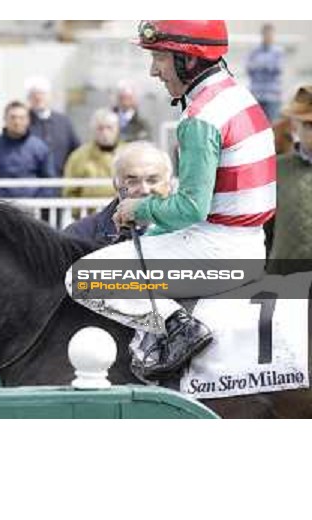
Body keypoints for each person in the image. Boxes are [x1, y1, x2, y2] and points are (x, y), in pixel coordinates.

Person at [66, 20, 276, 381]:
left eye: (160, 58)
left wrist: (137, 208)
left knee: (81, 277)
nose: (153, 71)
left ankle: (180, 330)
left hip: (215, 251)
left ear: (188, 60)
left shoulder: (200, 117)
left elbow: (190, 209)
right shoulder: (238, 95)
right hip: (248, 244)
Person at [64, 141, 173, 246]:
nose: (144, 190)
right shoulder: (79, 238)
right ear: (116, 185)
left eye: (153, 180)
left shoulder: (188, 233)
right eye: (132, 181)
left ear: (169, 184)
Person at [266, 86, 312, 274]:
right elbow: (264, 227)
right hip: (285, 278)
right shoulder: (276, 169)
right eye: (309, 125)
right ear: (295, 126)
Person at [0, 100, 54, 198]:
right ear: (5, 119)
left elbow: (49, 182)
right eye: (12, 117)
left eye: (21, 118)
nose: (17, 122)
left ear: (28, 120)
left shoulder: (40, 148)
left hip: (31, 207)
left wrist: (37, 203)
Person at [62, 108, 124, 201]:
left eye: (109, 128)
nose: (105, 133)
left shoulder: (128, 153)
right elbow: (69, 191)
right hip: (89, 212)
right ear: (93, 130)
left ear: (117, 129)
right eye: (100, 128)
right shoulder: (79, 156)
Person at [26, 76, 80, 177]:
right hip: (33, 183)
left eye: (42, 94)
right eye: (34, 95)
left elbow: (76, 150)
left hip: (60, 180)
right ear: (29, 98)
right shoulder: (23, 121)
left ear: (50, 96)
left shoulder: (63, 121)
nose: (38, 98)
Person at [246, 23, 284, 123]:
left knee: (273, 126)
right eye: (266, 34)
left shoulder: (278, 52)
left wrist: (260, 65)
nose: (268, 37)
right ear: (262, 35)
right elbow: (249, 68)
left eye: (270, 34)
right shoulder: (254, 51)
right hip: (257, 95)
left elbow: (278, 69)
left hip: (272, 96)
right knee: (256, 125)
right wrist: (265, 66)